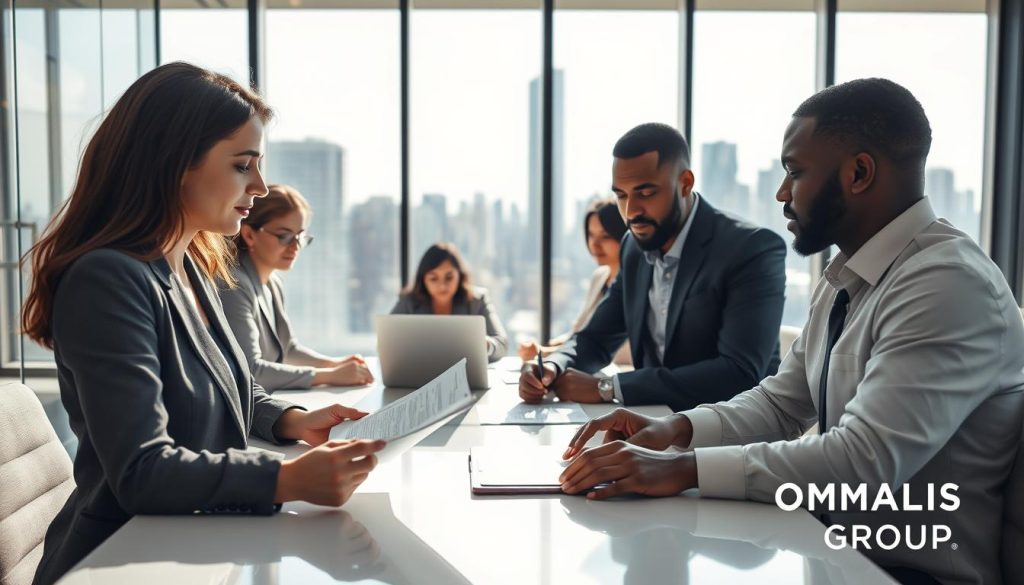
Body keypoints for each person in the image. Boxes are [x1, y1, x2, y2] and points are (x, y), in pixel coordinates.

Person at [558, 79, 1024, 585]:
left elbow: (863, 460)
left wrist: (681, 468)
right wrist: (676, 431)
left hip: (905, 571)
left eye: (795, 172)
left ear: (859, 173)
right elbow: (781, 403)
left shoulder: (946, 283)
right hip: (833, 554)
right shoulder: (850, 275)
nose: (781, 194)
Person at [24, 63, 385, 585]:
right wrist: (285, 478)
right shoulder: (108, 279)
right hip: (121, 562)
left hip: (197, 544)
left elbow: (229, 388)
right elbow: (141, 472)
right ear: (175, 165)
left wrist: (292, 421)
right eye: (243, 165)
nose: (260, 186)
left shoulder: (194, 264)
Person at [519, 123, 786, 411]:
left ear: (684, 183)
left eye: (645, 193)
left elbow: (739, 374)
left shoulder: (751, 248)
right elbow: (596, 338)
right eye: (621, 195)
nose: (631, 211)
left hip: (731, 435)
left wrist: (609, 388)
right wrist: (552, 366)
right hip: (652, 424)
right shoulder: (633, 247)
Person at [220, 184, 373, 392]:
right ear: (249, 235)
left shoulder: (273, 282)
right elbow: (251, 371)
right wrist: (330, 375)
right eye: (284, 236)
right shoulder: (234, 284)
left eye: (299, 237)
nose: (295, 247)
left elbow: (288, 349)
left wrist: (334, 364)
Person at [518, 197, 632, 367]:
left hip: (620, 372)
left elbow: (611, 347)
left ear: (623, 235)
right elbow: (581, 332)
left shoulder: (635, 281)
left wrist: (546, 352)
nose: (594, 244)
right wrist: (544, 348)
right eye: (591, 235)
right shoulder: (599, 277)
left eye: (605, 236)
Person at [391, 242, 508, 362]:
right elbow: (387, 340)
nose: (442, 286)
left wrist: (487, 345)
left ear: (460, 275)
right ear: (423, 279)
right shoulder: (408, 301)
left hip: (466, 375)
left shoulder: (477, 300)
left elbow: (502, 344)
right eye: (433, 278)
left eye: (449, 277)